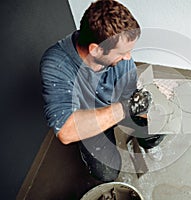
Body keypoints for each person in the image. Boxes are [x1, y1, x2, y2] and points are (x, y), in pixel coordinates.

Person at [40, 0, 163, 182]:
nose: (128, 57)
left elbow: (130, 91)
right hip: (90, 120)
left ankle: (148, 143)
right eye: (122, 53)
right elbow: (66, 131)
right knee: (107, 173)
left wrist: (148, 110)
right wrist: (127, 107)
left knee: (160, 120)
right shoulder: (56, 65)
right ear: (96, 50)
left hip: (119, 104)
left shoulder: (118, 56)